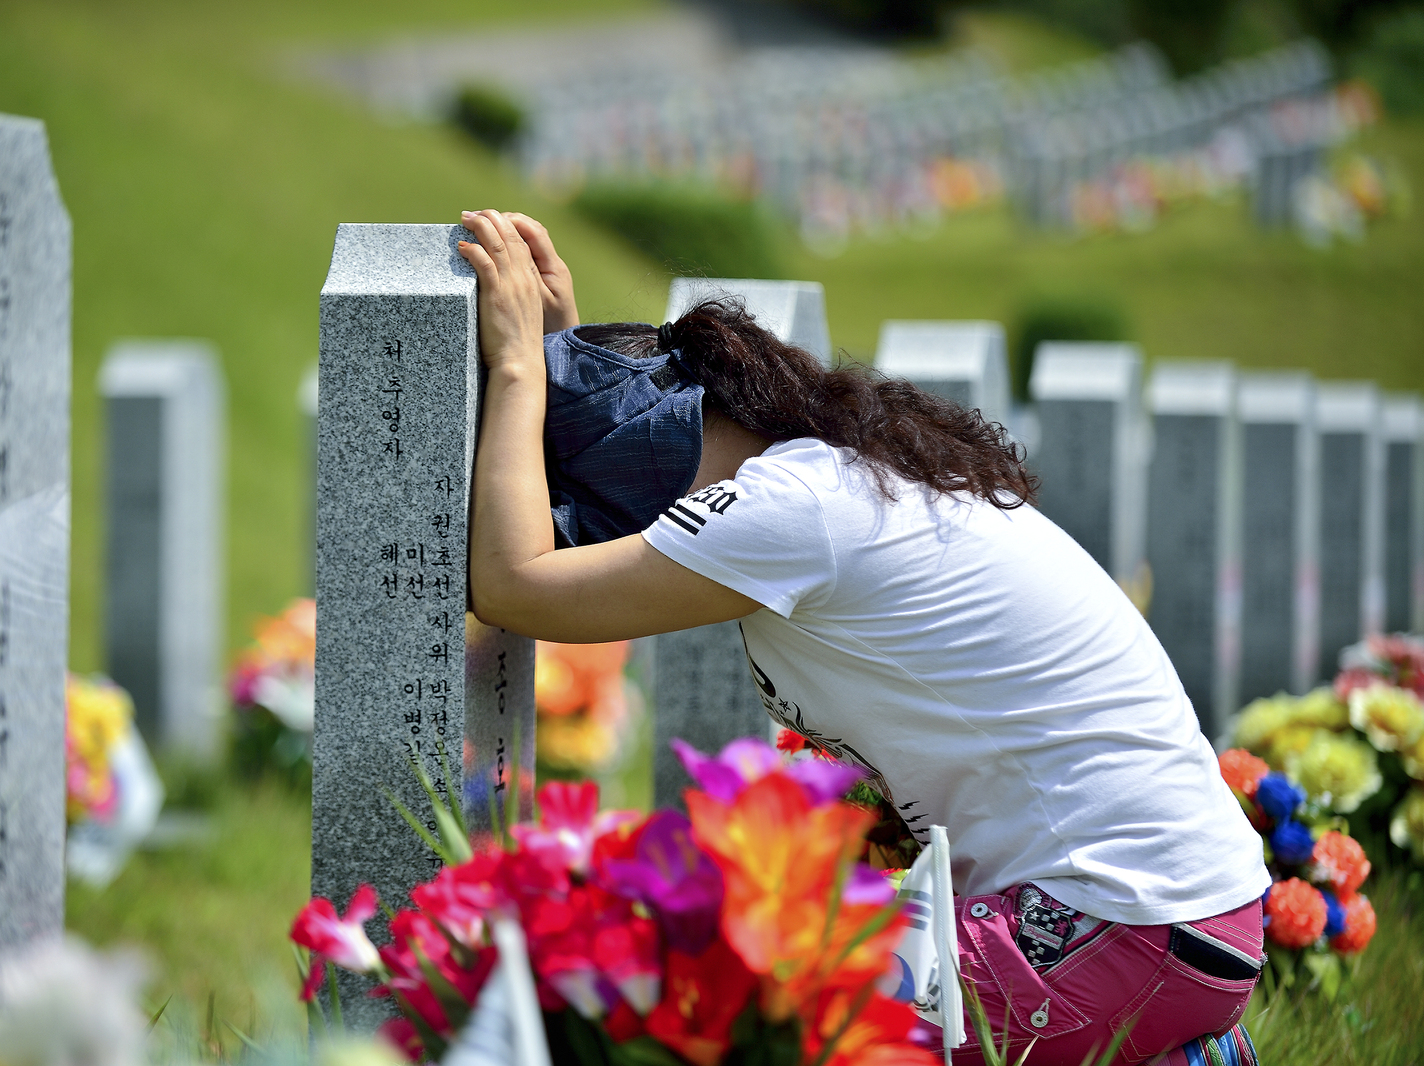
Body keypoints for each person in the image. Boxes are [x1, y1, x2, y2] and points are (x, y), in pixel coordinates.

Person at [454, 208, 1270, 1066]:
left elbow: (515, 587)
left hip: (1119, 921)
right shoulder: (831, 474)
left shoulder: (787, 509)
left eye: (615, 511)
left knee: (743, 1018)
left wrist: (521, 368)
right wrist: (568, 356)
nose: (637, 540)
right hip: (1171, 913)